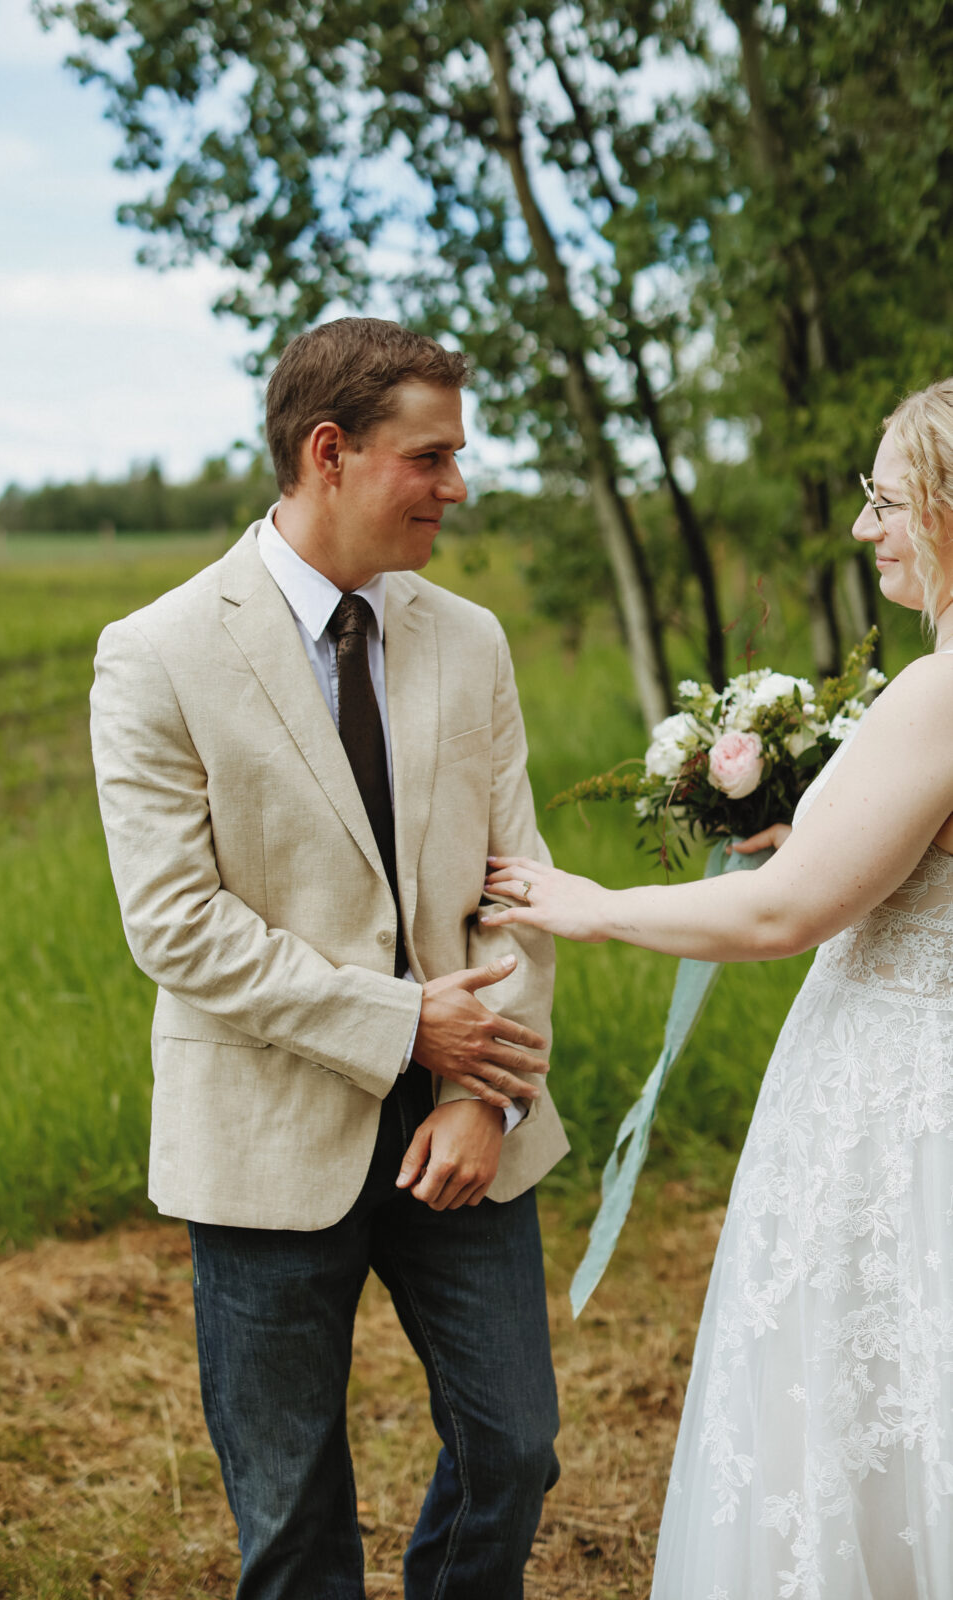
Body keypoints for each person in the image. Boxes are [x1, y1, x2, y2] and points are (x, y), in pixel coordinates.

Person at [89, 317, 569, 1600]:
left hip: (464, 1120)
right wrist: (404, 1021)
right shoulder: (157, 653)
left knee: (515, 1449)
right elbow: (175, 921)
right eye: (430, 459)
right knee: (293, 1514)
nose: (456, 489)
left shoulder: (469, 640)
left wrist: (478, 1089)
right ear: (328, 452)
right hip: (262, 1128)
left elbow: (512, 888)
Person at [482, 378, 953, 1598]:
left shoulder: (937, 691)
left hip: (897, 1099)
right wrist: (824, 826)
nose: (863, 528)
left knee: (864, 1407)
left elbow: (780, 913)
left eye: (885, 499)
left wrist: (594, 907)